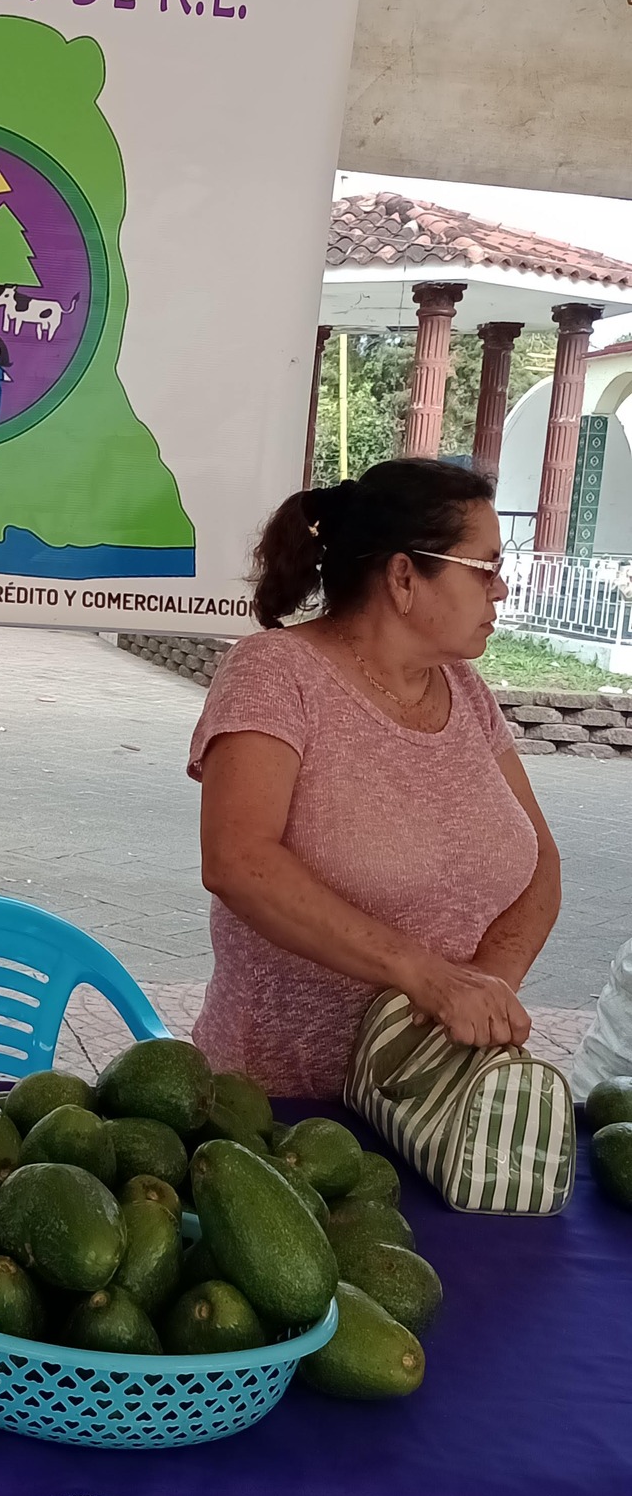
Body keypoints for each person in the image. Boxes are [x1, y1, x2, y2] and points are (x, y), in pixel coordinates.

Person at [189, 460, 561, 1098]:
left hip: (432, 1103)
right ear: (403, 575)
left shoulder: (466, 691)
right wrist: (422, 975)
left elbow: (541, 860)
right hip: (278, 1107)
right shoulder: (275, 673)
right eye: (487, 568)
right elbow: (238, 861)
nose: (500, 590)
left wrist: (484, 986)